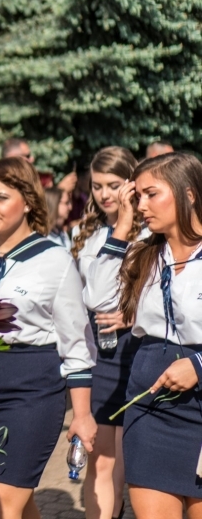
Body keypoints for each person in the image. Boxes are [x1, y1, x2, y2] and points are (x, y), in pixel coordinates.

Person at [0, 156, 97, 519]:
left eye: (0, 197)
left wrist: (81, 415)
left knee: (0, 503)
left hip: (32, 390)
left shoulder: (55, 259)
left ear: (29, 201)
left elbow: (77, 344)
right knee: (15, 495)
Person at [90, 153, 202, 519]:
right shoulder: (145, 255)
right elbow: (98, 298)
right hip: (149, 403)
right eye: (137, 196)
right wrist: (121, 229)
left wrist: (199, 365)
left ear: (188, 194)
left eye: (151, 194)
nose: (141, 205)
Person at [72, 147, 146, 519]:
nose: (104, 194)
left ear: (131, 185)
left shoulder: (153, 232)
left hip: (142, 352)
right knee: (100, 458)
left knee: (131, 459)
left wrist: (133, 315)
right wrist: (118, 231)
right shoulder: (87, 234)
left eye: (114, 185)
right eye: (97, 185)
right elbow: (98, 298)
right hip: (102, 354)